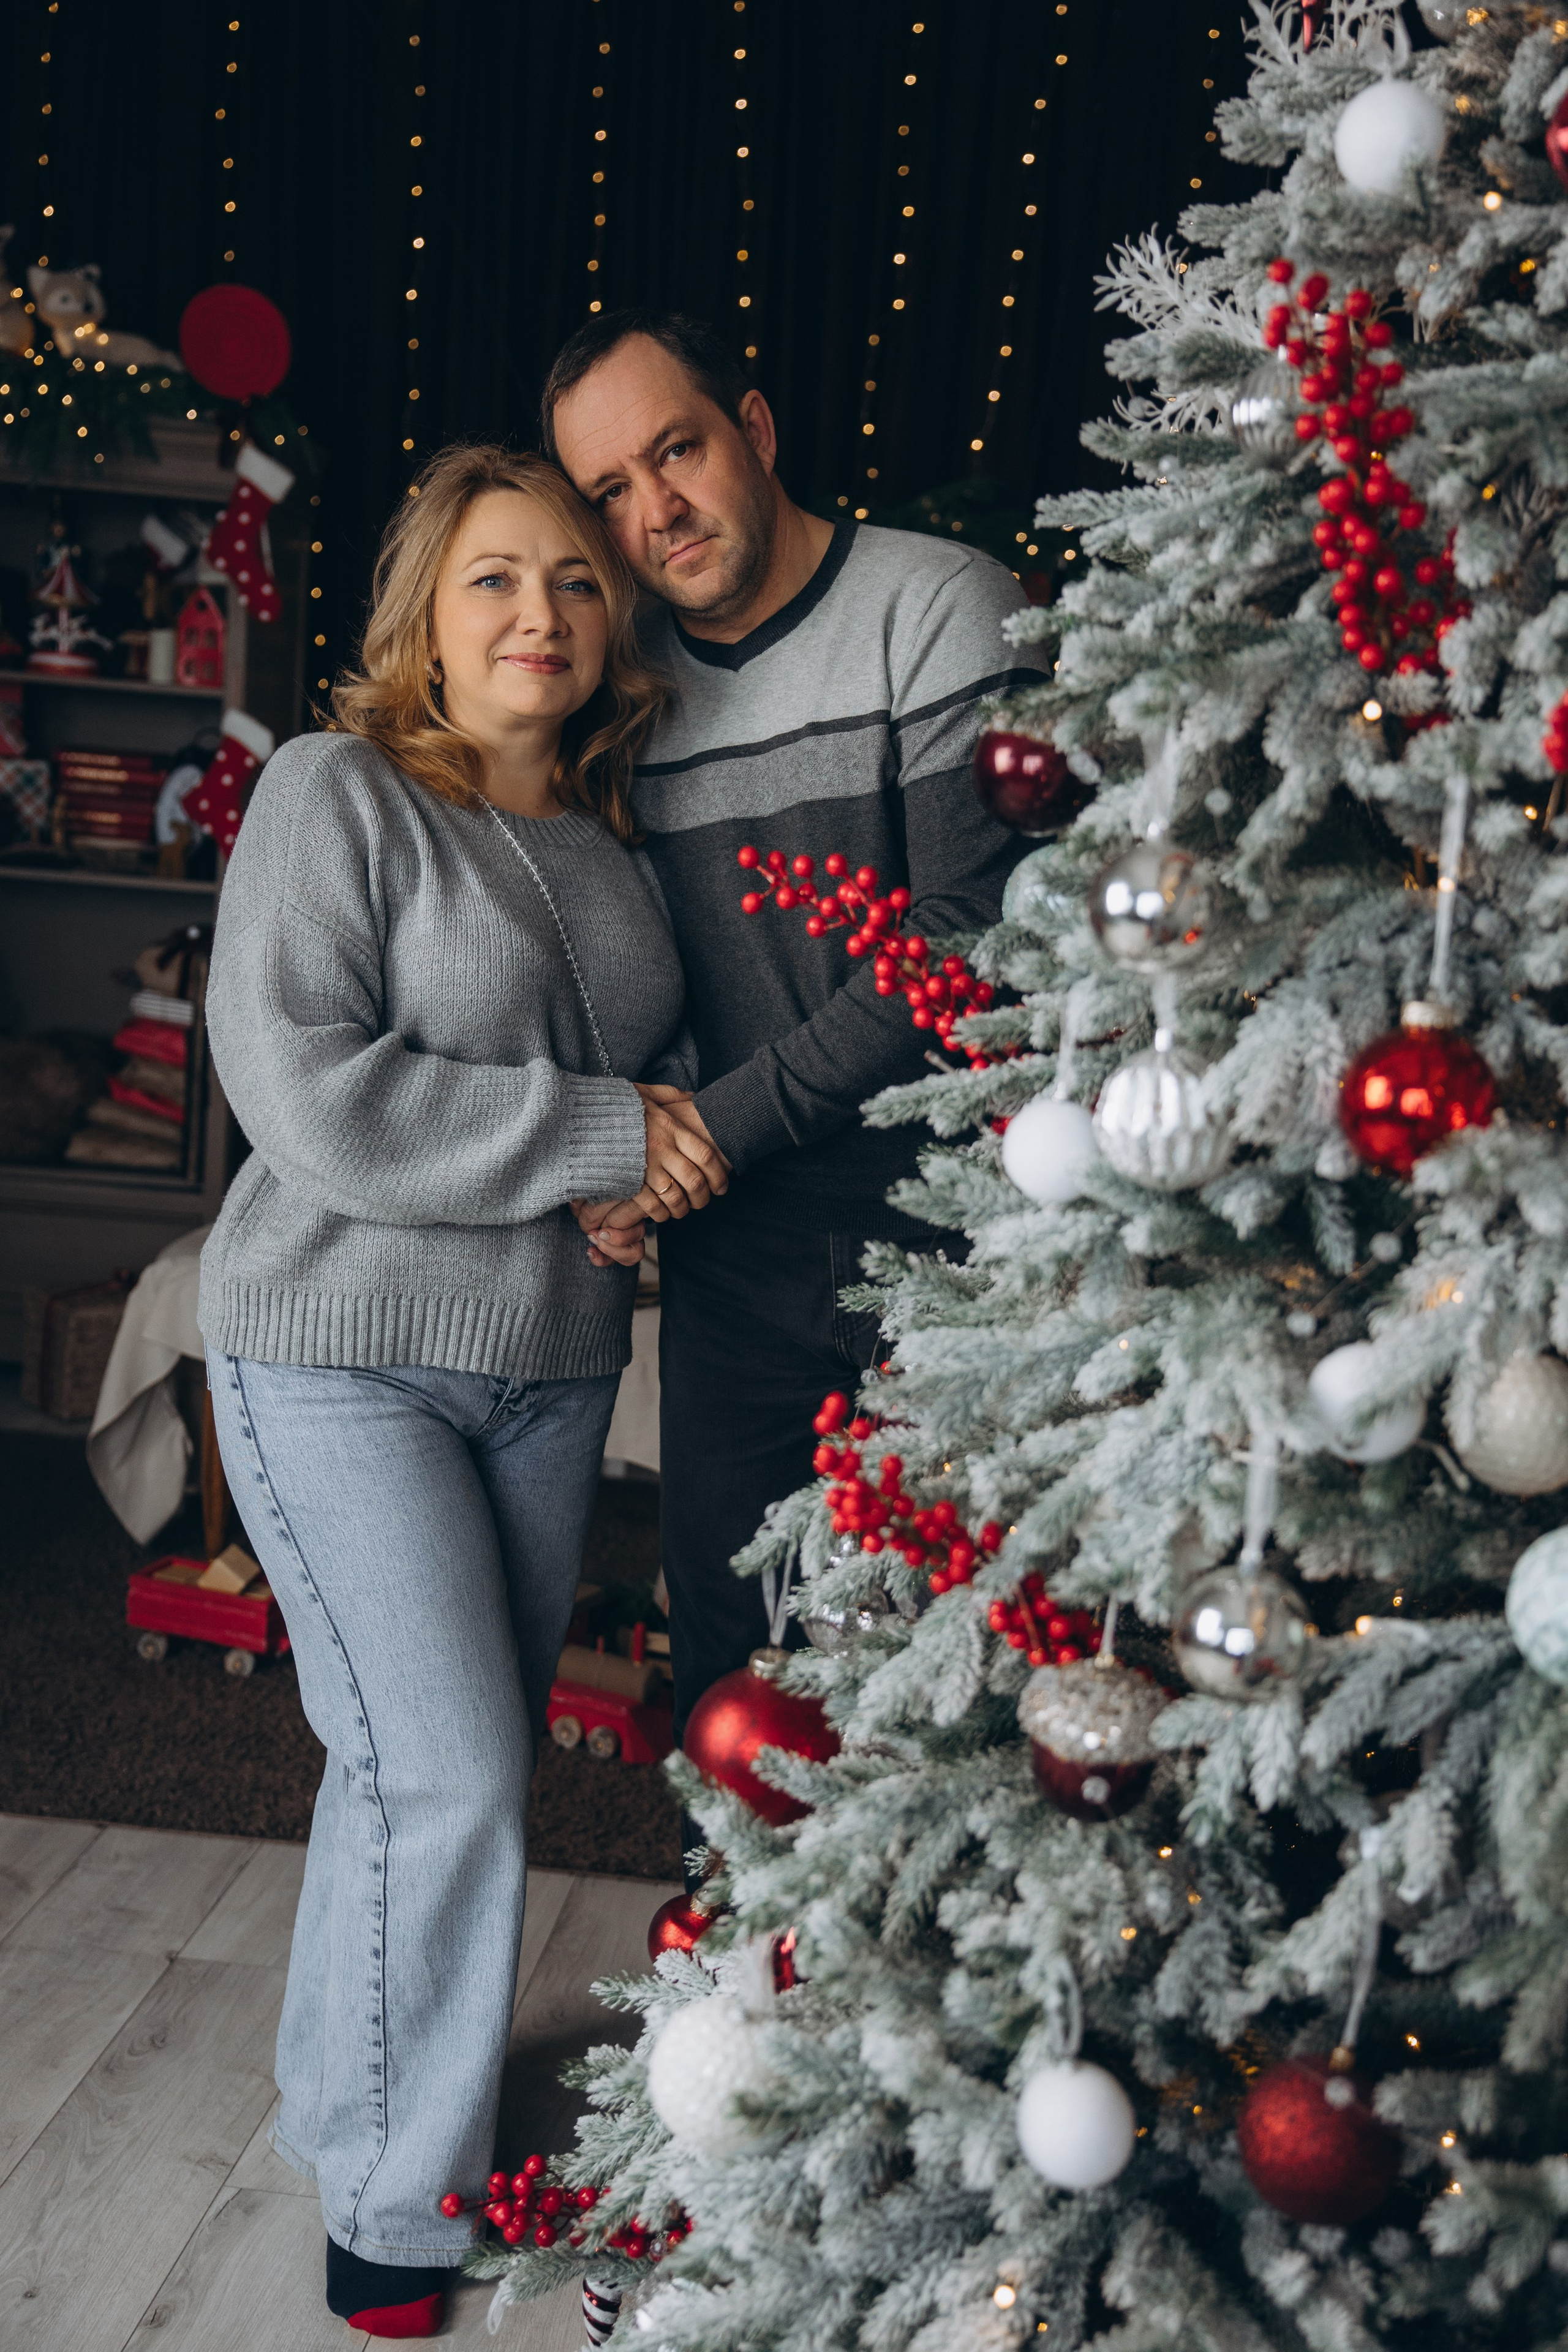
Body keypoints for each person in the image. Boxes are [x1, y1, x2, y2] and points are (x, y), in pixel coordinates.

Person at [197, 444, 720, 2340]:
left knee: (404, 1772)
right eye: (499, 579)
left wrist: (638, 1184)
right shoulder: (335, 795)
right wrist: (595, 1137)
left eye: (578, 583)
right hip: (338, 1355)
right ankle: (401, 2228)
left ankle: (336, 2111)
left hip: (546, 1376)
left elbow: (651, 1124)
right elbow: (310, 1090)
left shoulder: (615, 838)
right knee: (456, 1770)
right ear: (426, 607)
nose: (542, 617)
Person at [544, 310, 1049, 1760]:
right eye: (608, 494)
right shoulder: (621, 686)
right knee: (725, 1642)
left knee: (950, 1654)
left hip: (953, 1234)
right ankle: (728, 1979)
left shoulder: (940, 603)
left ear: (752, 432)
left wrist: (711, 1125)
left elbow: (975, 940)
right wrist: (629, 1138)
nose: (656, 513)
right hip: (736, 1251)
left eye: (677, 451)